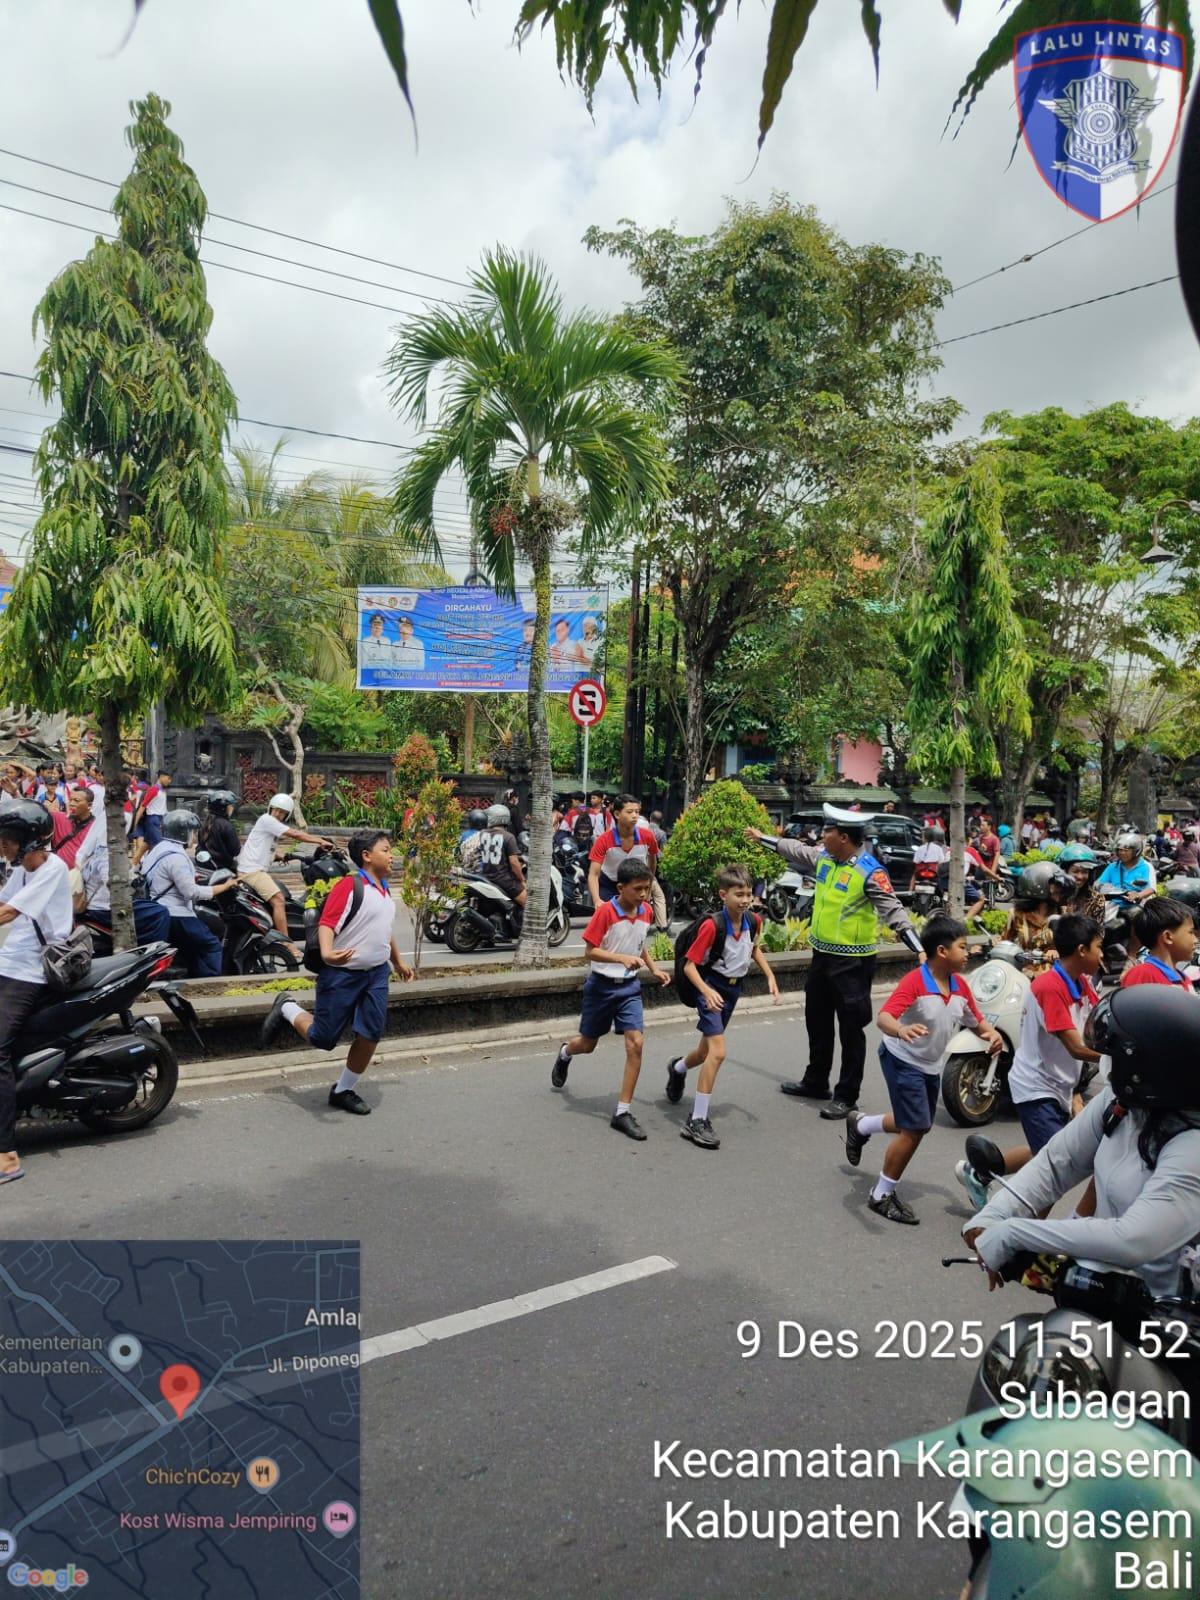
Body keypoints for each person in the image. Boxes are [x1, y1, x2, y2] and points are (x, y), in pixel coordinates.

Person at [964, 984, 1200, 1309]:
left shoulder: (1193, 1143)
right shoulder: (1121, 1104)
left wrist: (1013, 1233)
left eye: (1117, 1057)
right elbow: (1056, 1162)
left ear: (1147, 1069)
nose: (1108, 1065)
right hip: (1104, 1290)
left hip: (1168, 1320)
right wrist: (991, 1217)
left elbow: (1134, 1240)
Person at [747, 804, 923, 1120]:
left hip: (853, 964)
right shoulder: (825, 859)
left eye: (827, 831)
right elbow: (797, 850)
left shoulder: (870, 871)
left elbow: (893, 910)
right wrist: (762, 838)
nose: (821, 836)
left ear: (843, 837)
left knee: (851, 1031)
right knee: (817, 1021)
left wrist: (918, 947)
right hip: (822, 957)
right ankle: (816, 1081)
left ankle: (846, 1095)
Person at [845, 915, 1002, 1225]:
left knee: (915, 1122)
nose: (968, 952)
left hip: (929, 1064)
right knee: (915, 1129)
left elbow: (976, 1019)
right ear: (942, 951)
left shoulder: (960, 985)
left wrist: (991, 1034)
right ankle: (880, 1195)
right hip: (902, 1060)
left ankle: (862, 1125)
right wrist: (900, 1031)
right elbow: (885, 1018)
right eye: (962, 946)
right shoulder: (916, 981)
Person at [260, 831, 415, 1115]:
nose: (392, 855)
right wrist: (328, 953)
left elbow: (384, 931)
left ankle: (343, 1090)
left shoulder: (383, 890)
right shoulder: (350, 886)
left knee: (371, 1034)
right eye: (386, 849)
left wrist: (398, 961)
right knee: (323, 1038)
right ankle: (288, 1007)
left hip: (376, 975)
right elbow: (327, 923)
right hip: (342, 974)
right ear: (367, 856)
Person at [550, 857, 670, 1140]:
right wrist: (620, 958)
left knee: (636, 1043)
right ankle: (566, 1052)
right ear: (620, 887)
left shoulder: (646, 912)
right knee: (588, 1044)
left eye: (647, 888)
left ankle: (622, 1112)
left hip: (629, 988)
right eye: (637, 889)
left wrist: (654, 969)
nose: (643, 894)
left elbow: (639, 947)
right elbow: (589, 952)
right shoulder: (605, 912)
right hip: (601, 987)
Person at [666, 864, 781, 1150]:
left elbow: (753, 949)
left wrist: (770, 975)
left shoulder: (753, 921)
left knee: (705, 1051)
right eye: (737, 894)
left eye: (748, 894)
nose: (744, 899)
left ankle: (678, 1068)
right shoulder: (711, 925)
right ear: (723, 895)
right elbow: (691, 966)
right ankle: (696, 1120)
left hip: (733, 990)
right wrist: (706, 991)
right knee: (718, 1053)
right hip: (712, 988)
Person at [0, 802, 74, 1186]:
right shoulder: (22, 871)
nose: (2, 846)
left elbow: (7, 914)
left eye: (7, 840)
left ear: (27, 841)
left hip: (31, 971)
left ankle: (7, 1155)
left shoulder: (52, 868)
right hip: (9, 961)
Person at [141, 809, 238, 977]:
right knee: (211, 945)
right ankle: (211, 984)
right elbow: (191, 892)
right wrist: (224, 887)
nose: (194, 837)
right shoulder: (177, 857)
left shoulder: (159, 849)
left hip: (159, 910)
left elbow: (164, 876)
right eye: (192, 832)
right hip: (177, 913)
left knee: (193, 947)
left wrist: (192, 876)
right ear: (182, 832)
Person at [236, 793, 335, 947]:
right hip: (252, 871)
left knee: (285, 896)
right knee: (279, 900)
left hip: (252, 869)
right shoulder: (267, 820)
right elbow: (294, 834)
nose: (279, 814)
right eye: (277, 810)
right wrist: (320, 841)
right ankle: (286, 944)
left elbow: (266, 849)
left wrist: (283, 856)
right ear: (271, 809)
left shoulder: (268, 826)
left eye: (283, 813)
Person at [74, 814, 172, 947]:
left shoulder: (91, 852)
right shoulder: (107, 853)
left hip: (96, 905)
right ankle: (148, 952)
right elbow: (112, 883)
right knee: (160, 912)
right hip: (105, 909)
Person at [588, 794, 660, 906]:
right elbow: (594, 874)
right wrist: (597, 900)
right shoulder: (603, 840)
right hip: (609, 885)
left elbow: (652, 864)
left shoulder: (648, 836)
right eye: (630, 812)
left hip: (636, 885)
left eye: (637, 812)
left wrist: (648, 889)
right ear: (617, 814)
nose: (635, 816)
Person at [1120, 897, 1197, 992]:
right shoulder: (1142, 974)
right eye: (1191, 932)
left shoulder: (1184, 978)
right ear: (1168, 937)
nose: (1195, 940)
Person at [476, 803, 526, 913]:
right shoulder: (508, 836)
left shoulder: (482, 834)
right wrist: (522, 880)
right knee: (529, 903)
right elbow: (514, 863)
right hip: (503, 879)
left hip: (485, 876)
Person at [1096, 832, 1155, 909]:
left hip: (1137, 907)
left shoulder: (1146, 866)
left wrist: (1138, 895)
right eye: (1120, 850)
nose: (1122, 853)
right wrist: (1102, 888)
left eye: (1126, 850)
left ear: (1136, 851)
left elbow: (1151, 889)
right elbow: (1100, 883)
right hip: (1114, 907)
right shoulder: (1112, 867)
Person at [50, 784, 96, 870]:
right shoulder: (58, 818)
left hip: (80, 878)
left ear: (89, 805)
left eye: (76, 800)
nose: (71, 804)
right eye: (70, 800)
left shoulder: (95, 828)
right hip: (57, 874)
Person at [1056, 843, 1105, 923]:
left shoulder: (1096, 899)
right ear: (1064, 872)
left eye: (1085, 872)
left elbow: (1098, 932)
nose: (1080, 877)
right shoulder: (1055, 896)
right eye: (1075, 871)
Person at [199, 791, 241, 874]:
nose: (232, 808)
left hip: (207, 866)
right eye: (230, 806)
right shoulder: (226, 826)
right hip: (223, 868)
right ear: (223, 808)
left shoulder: (205, 823)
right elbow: (235, 850)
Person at [908, 825, 946, 892]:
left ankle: (910, 891)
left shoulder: (920, 848)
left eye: (922, 837)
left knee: (914, 875)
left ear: (925, 838)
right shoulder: (938, 848)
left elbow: (916, 861)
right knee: (941, 879)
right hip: (934, 871)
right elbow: (942, 861)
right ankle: (942, 893)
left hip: (921, 870)